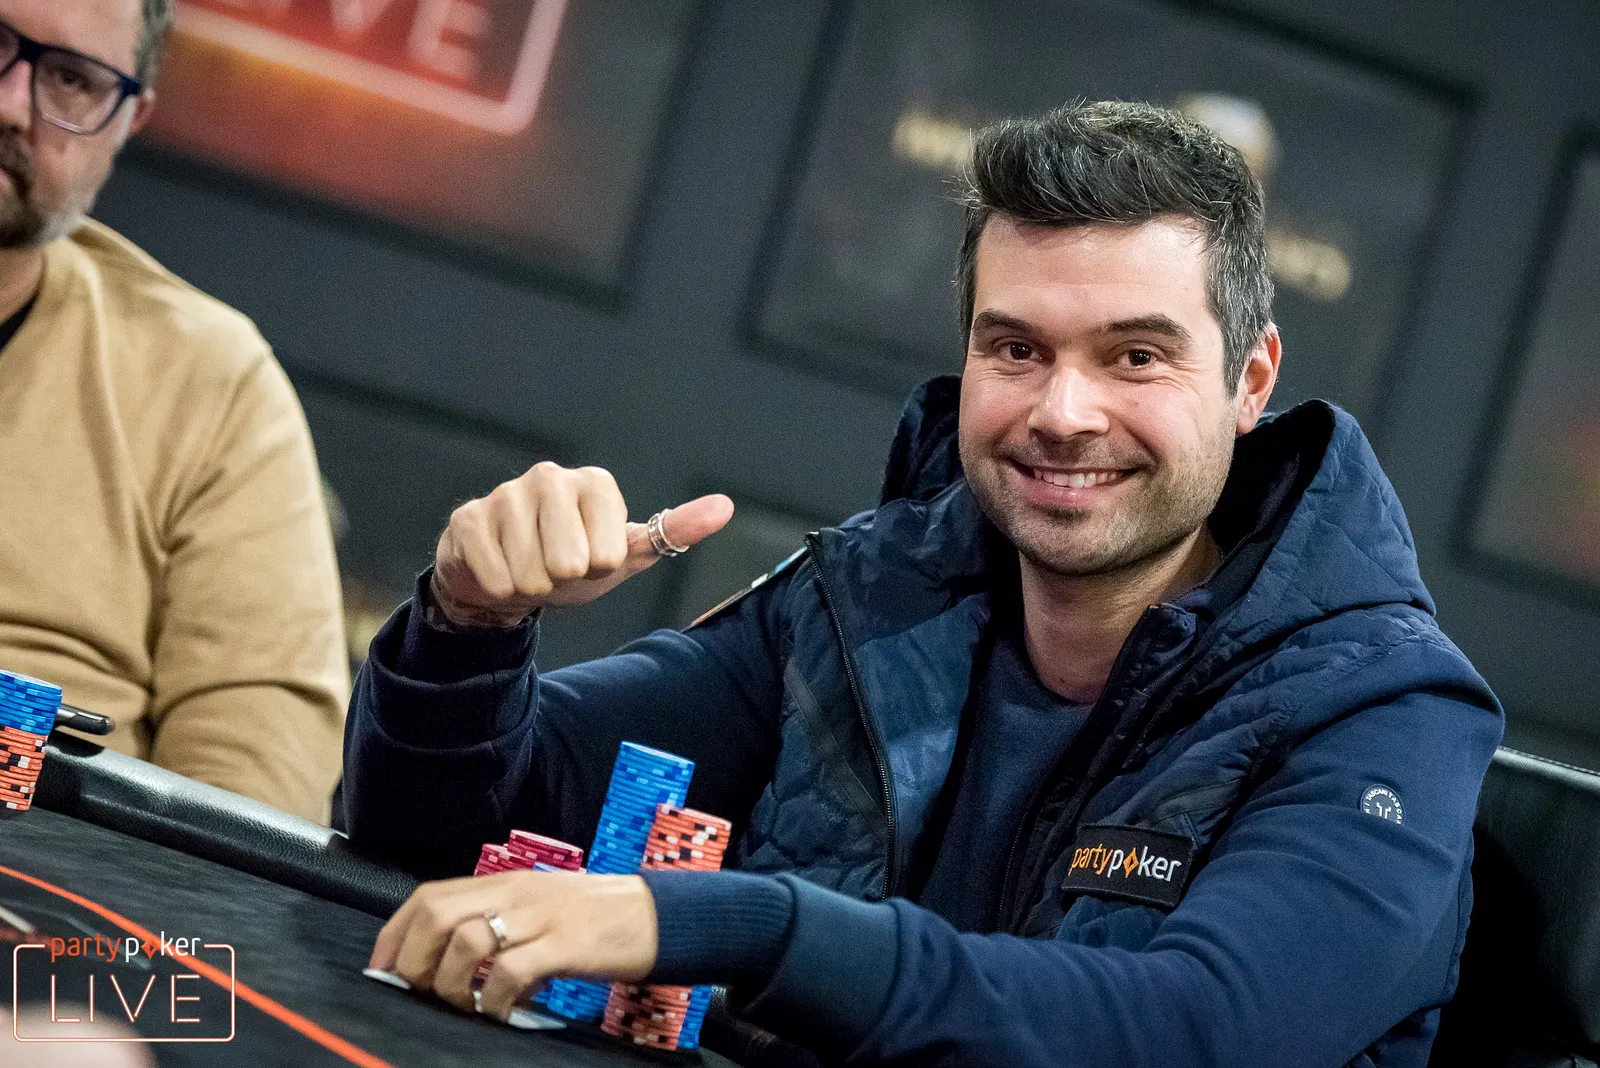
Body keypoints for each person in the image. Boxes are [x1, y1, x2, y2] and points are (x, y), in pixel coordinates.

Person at [346, 101, 1502, 1067]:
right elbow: (433, 838)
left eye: (1135, 357)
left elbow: (1196, 1031)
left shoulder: (1381, 711)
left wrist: (747, 926)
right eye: (1016, 349)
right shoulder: (868, 598)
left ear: (1249, 381)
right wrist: (468, 626)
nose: (1062, 412)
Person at [0, 0, 347, 822]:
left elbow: (249, 810)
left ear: (128, 122)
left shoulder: (213, 385)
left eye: (72, 79)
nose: (11, 103)